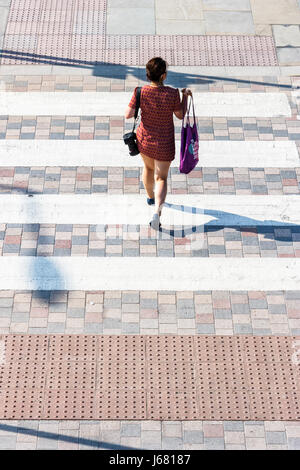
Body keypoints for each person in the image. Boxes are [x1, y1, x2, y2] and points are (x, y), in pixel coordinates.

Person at [124, 57, 192, 229]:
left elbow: (128, 114)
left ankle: (150, 197)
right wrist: (184, 97)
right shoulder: (171, 93)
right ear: (163, 75)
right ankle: (157, 213)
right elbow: (180, 115)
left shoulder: (140, 91)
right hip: (164, 143)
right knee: (161, 177)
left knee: (148, 169)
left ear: (148, 75)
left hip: (144, 140)